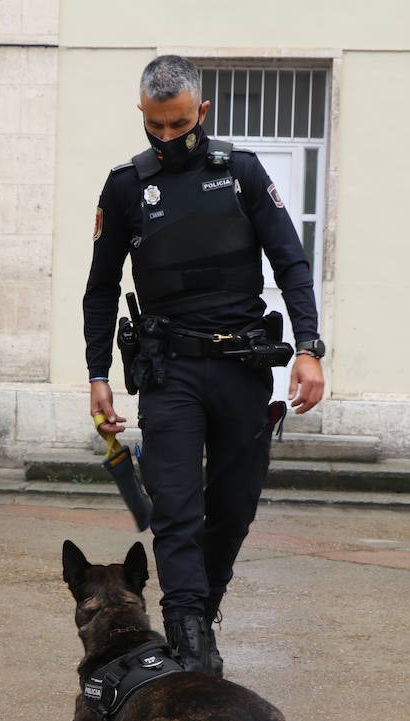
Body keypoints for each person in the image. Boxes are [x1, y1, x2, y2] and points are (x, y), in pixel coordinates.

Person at [82, 54, 326, 676]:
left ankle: (202, 612)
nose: (167, 138)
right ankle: (191, 644)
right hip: (171, 375)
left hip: (243, 367)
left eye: (180, 124)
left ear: (203, 112)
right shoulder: (125, 186)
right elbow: (101, 289)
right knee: (177, 512)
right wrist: (97, 376)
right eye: (155, 126)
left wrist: (308, 347)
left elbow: (292, 263)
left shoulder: (241, 174)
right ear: (142, 115)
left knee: (235, 508)